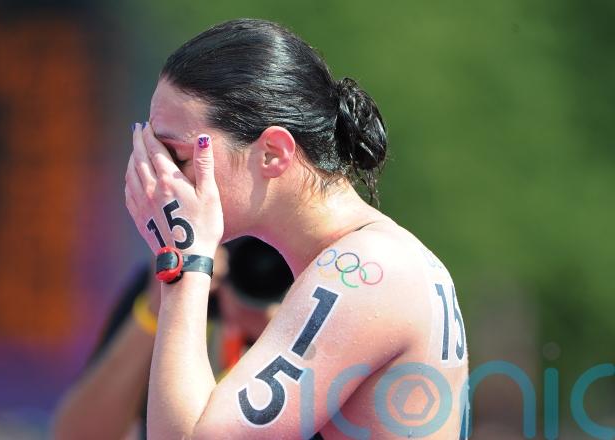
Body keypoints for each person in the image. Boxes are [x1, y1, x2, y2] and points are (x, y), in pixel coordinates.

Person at [124, 18, 469, 439]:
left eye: (175, 156)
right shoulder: (365, 258)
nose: (158, 178)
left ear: (272, 152)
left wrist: (183, 259)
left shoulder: (365, 269)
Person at [50, 238, 292, 439]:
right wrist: (162, 306)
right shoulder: (185, 286)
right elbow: (76, 435)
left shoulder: (312, 296)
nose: (260, 272)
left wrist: (287, 330)